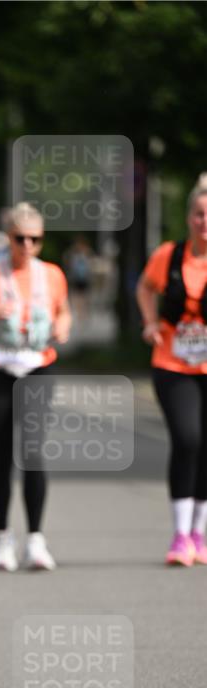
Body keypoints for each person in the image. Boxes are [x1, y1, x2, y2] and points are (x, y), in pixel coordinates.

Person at [0, 202, 71, 571]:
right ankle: (3, 536)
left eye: (35, 239)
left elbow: (63, 309)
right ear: (9, 238)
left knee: (32, 452)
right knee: (1, 456)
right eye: (20, 238)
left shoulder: (51, 274)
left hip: (38, 367)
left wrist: (65, 325)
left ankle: (36, 539)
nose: (27, 245)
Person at [136, 174, 207, 567]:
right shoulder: (169, 255)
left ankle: (200, 531)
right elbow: (145, 288)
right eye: (199, 215)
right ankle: (181, 534)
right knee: (187, 438)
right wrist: (149, 322)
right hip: (173, 363)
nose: (204, 223)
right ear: (188, 218)